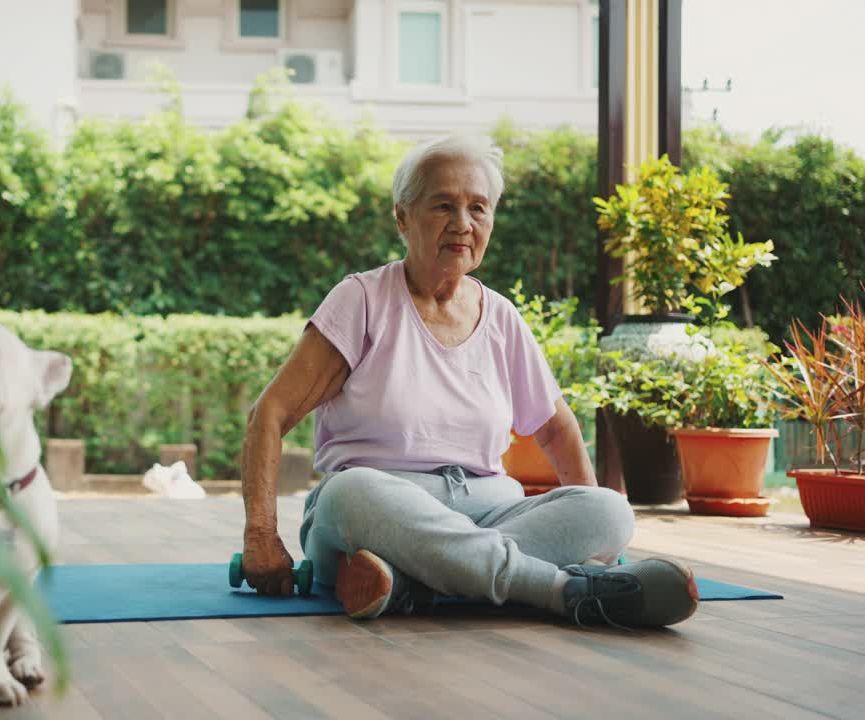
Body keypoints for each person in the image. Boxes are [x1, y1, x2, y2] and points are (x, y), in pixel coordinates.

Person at [239, 134, 698, 627]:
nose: (462, 224)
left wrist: (599, 541)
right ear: (402, 217)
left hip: (488, 511)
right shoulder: (362, 300)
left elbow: (556, 429)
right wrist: (260, 535)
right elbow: (271, 413)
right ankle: (564, 590)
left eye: (478, 208)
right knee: (351, 493)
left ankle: (412, 584)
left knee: (608, 511)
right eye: (443, 206)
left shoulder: (500, 317)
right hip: (378, 513)